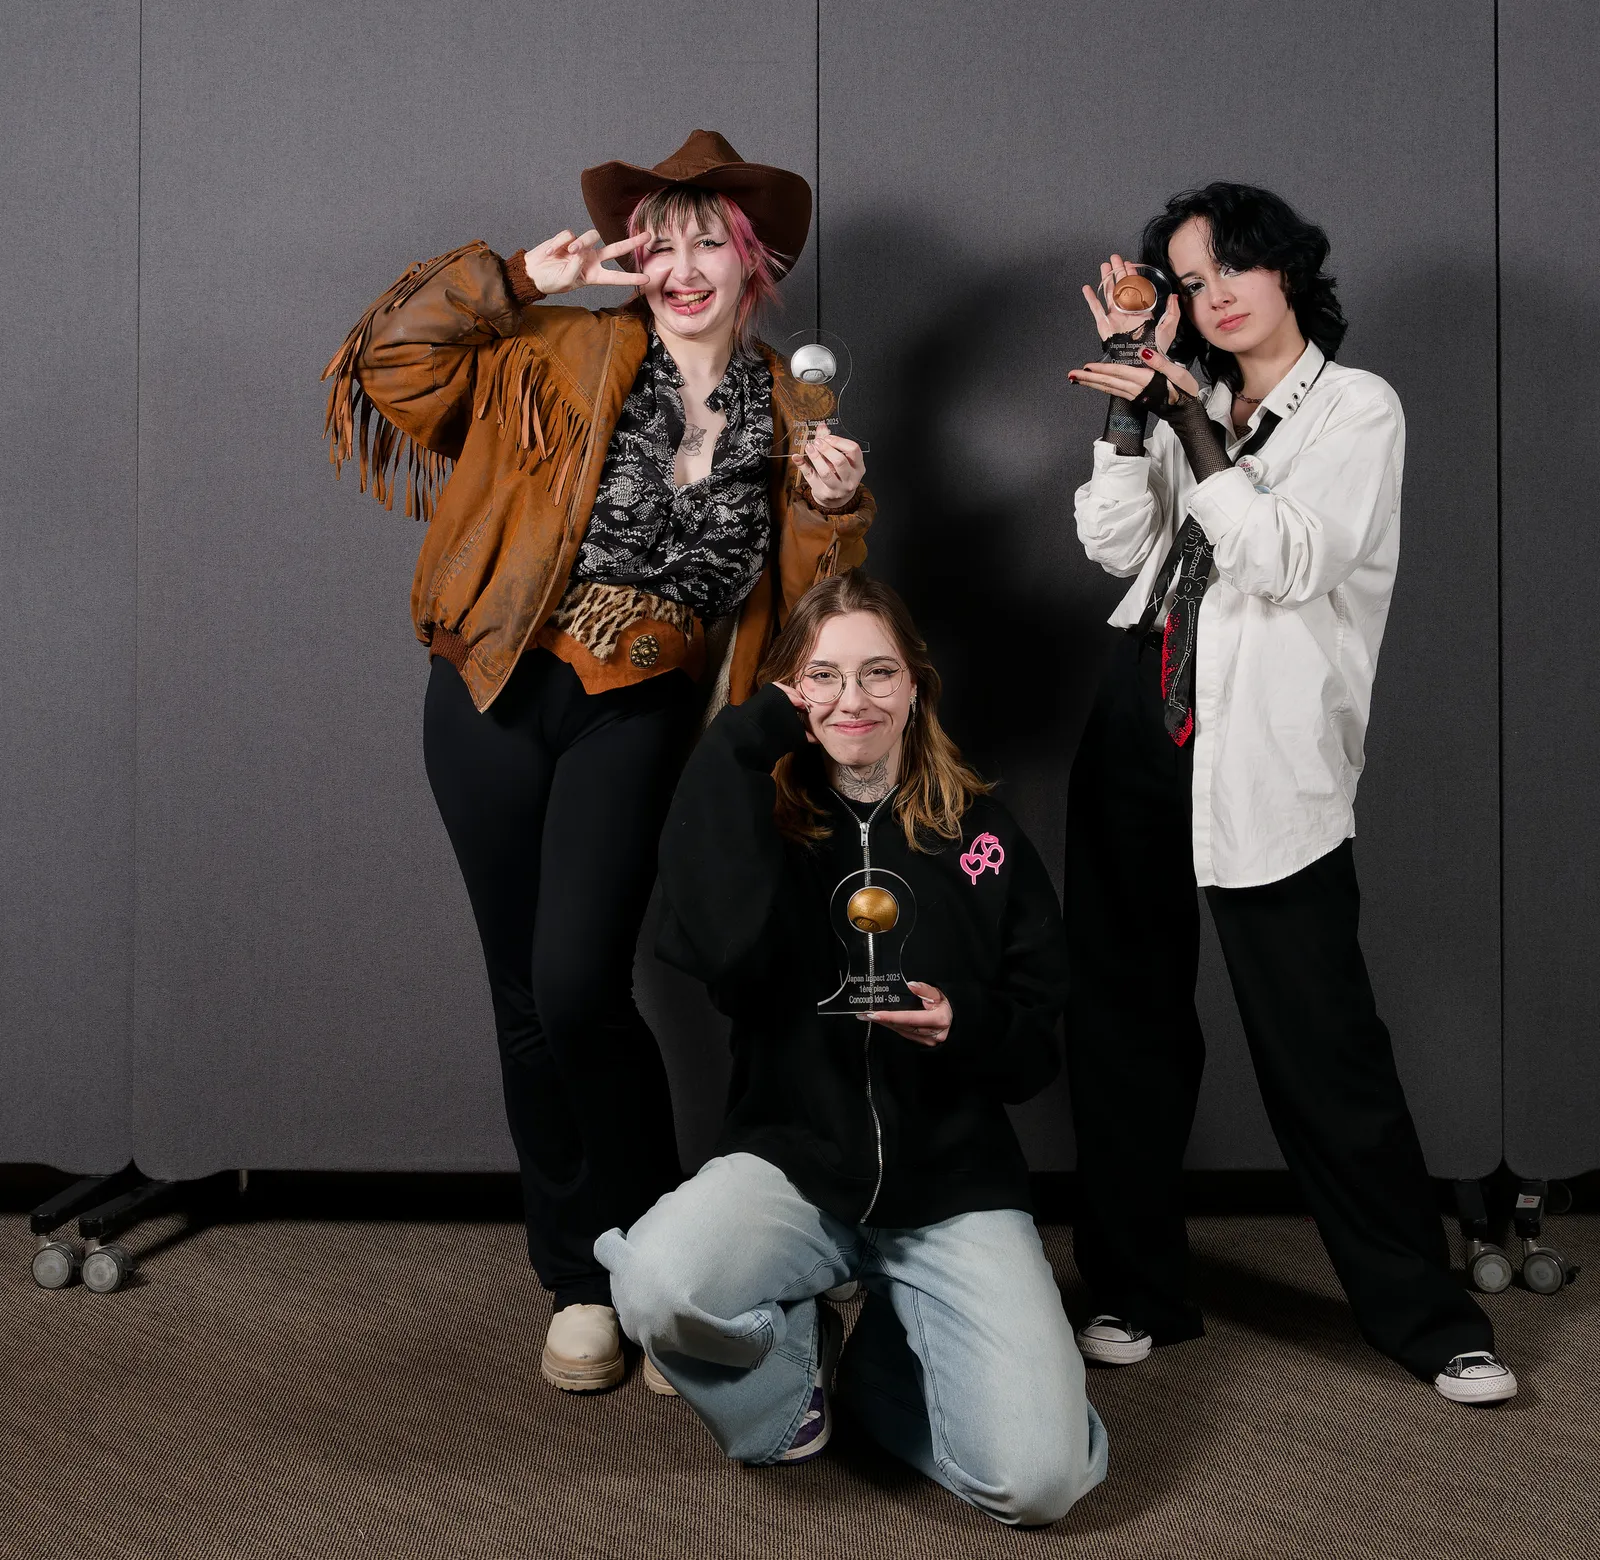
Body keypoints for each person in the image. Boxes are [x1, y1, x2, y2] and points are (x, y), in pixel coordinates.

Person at [321, 131, 872, 1393]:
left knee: (578, 984)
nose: (681, 268)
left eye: (708, 244)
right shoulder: (555, 348)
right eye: (658, 244)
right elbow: (394, 368)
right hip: (492, 681)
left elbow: (812, 616)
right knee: (524, 994)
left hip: (639, 703)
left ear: (755, 263)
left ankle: (658, 1268)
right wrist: (519, 278)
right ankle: (579, 1277)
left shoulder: (791, 410)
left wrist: (832, 509)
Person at [1061, 182, 1513, 1405]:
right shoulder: (1189, 398)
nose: (1212, 297)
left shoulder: (1357, 407)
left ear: (1287, 270)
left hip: (1261, 755)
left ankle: (1429, 1322)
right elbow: (1116, 548)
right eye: (1189, 282)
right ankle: (1131, 1288)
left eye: (1232, 268)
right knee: (1123, 1026)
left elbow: (1285, 558)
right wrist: (1131, 408)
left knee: (1323, 1043)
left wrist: (1183, 415)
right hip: (1136, 725)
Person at [596, 571, 1108, 1525]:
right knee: (656, 1283)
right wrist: (750, 735)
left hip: (950, 1188)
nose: (852, 700)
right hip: (795, 1167)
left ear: (915, 686)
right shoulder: (762, 827)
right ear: (791, 691)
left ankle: (885, 1370)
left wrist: (966, 1026)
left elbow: (1038, 1042)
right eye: (822, 677)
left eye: (878, 673)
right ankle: (795, 1385)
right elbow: (722, 954)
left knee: (1039, 1482)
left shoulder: (981, 838)